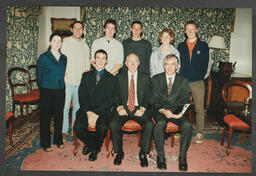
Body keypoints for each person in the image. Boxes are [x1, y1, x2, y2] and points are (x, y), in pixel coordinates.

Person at [109, 53, 153, 167]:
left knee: (149, 124)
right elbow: (115, 95)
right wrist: (119, 107)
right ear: (126, 64)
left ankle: (143, 153)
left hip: (139, 108)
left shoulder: (146, 77)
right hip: (123, 108)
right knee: (114, 124)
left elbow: (149, 96)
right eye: (130, 61)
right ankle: (119, 152)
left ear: (139, 63)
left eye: (135, 61)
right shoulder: (119, 77)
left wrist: (143, 108)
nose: (133, 64)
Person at [73, 49, 117, 161]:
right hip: (86, 110)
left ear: (106, 61)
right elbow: (82, 96)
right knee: (78, 127)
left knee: (102, 127)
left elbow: (111, 99)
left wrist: (96, 114)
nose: (100, 61)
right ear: (94, 60)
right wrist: (89, 113)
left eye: (103, 58)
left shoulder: (112, 79)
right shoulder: (86, 76)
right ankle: (94, 146)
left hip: (102, 112)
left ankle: (92, 148)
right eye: (98, 58)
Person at [151, 54, 192, 171]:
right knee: (160, 124)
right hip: (160, 110)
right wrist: (164, 110)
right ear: (163, 66)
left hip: (175, 111)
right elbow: (153, 99)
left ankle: (182, 157)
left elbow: (185, 100)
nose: (169, 67)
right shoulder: (156, 79)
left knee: (188, 125)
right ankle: (161, 156)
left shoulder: (183, 80)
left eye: (172, 64)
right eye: (167, 64)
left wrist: (177, 113)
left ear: (177, 66)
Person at [178, 21, 209, 144]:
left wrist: (200, 76)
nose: (190, 31)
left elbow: (206, 64)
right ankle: (180, 130)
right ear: (185, 31)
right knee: (181, 107)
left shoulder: (203, 45)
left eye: (192, 29)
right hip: (183, 81)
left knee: (199, 108)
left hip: (197, 82)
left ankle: (199, 132)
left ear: (196, 30)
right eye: (187, 29)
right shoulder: (181, 45)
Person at [36, 32, 67, 152]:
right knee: (45, 117)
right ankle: (45, 143)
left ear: (61, 43)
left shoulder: (64, 58)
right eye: (55, 41)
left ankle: (58, 140)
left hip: (60, 90)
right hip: (46, 90)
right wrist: (43, 88)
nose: (57, 43)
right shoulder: (43, 57)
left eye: (59, 41)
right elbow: (39, 75)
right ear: (50, 42)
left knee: (59, 116)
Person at [61, 21, 90, 139]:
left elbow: (87, 64)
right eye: (75, 28)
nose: (78, 30)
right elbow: (60, 59)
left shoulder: (85, 45)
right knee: (65, 106)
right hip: (67, 80)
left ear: (83, 31)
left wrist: (86, 75)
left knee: (77, 107)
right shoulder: (65, 42)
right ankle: (63, 131)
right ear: (71, 29)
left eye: (80, 28)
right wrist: (63, 72)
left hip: (80, 81)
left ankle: (74, 130)